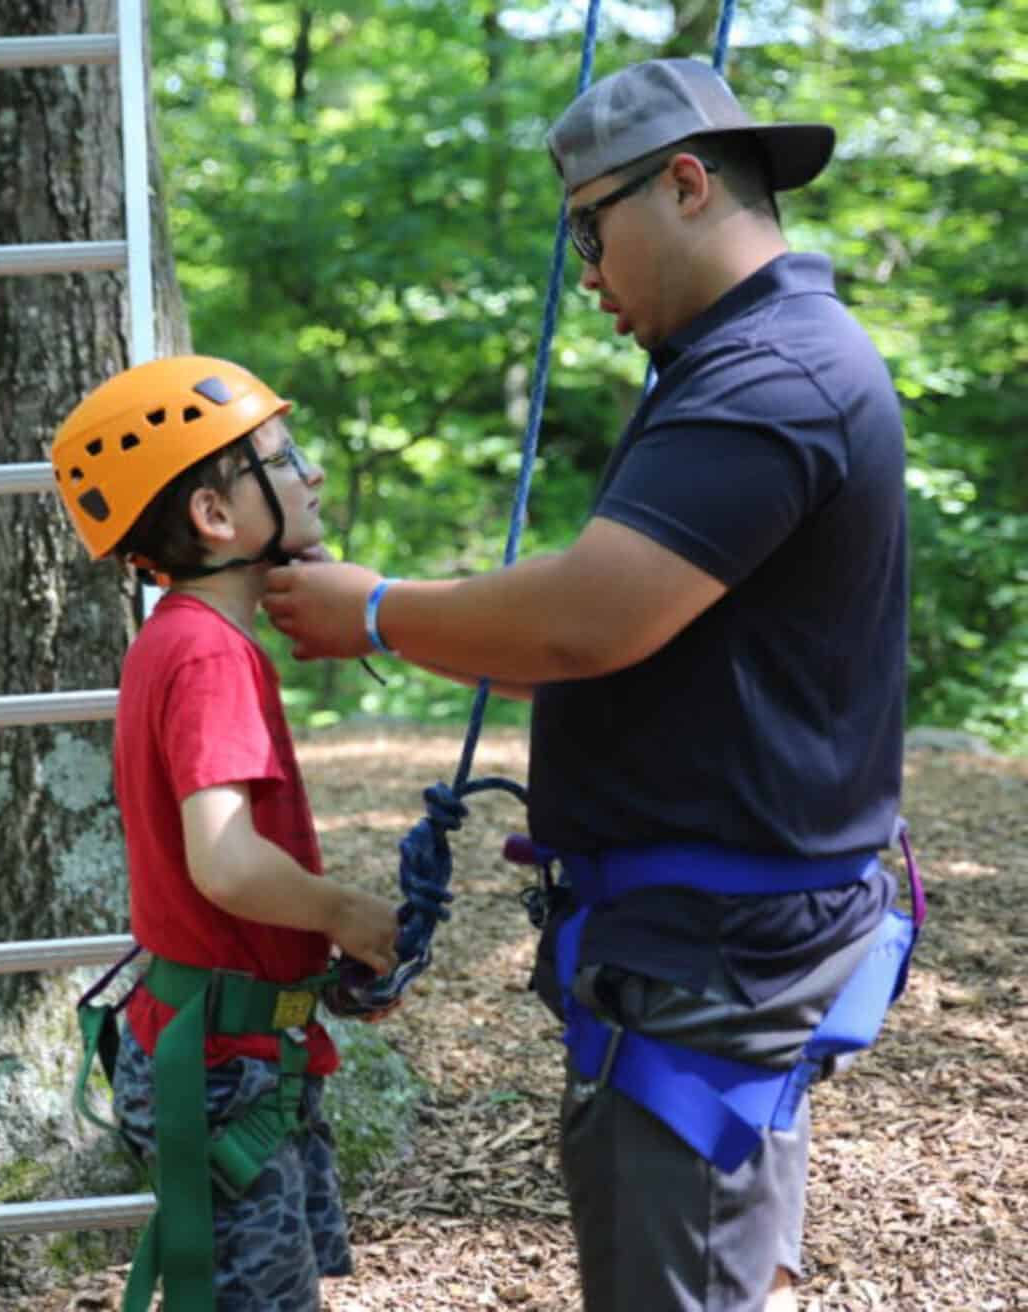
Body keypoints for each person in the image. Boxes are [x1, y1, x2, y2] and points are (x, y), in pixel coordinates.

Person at [261, 57, 910, 1312]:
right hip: (712, 947)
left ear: (683, 186)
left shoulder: (771, 379)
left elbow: (588, 619)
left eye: (587, 228)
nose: (585, 273)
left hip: (709, 957)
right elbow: (639, 633)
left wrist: (380, 613)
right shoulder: (755, 362)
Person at [50, 355, 401, 1312]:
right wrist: (350, 915)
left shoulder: (179, 637)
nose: (313, 474)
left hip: (233, 1051)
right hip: (221, 1072)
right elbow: (228, 861)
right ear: (214, 515)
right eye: (285, 460)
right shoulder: (208, 654)